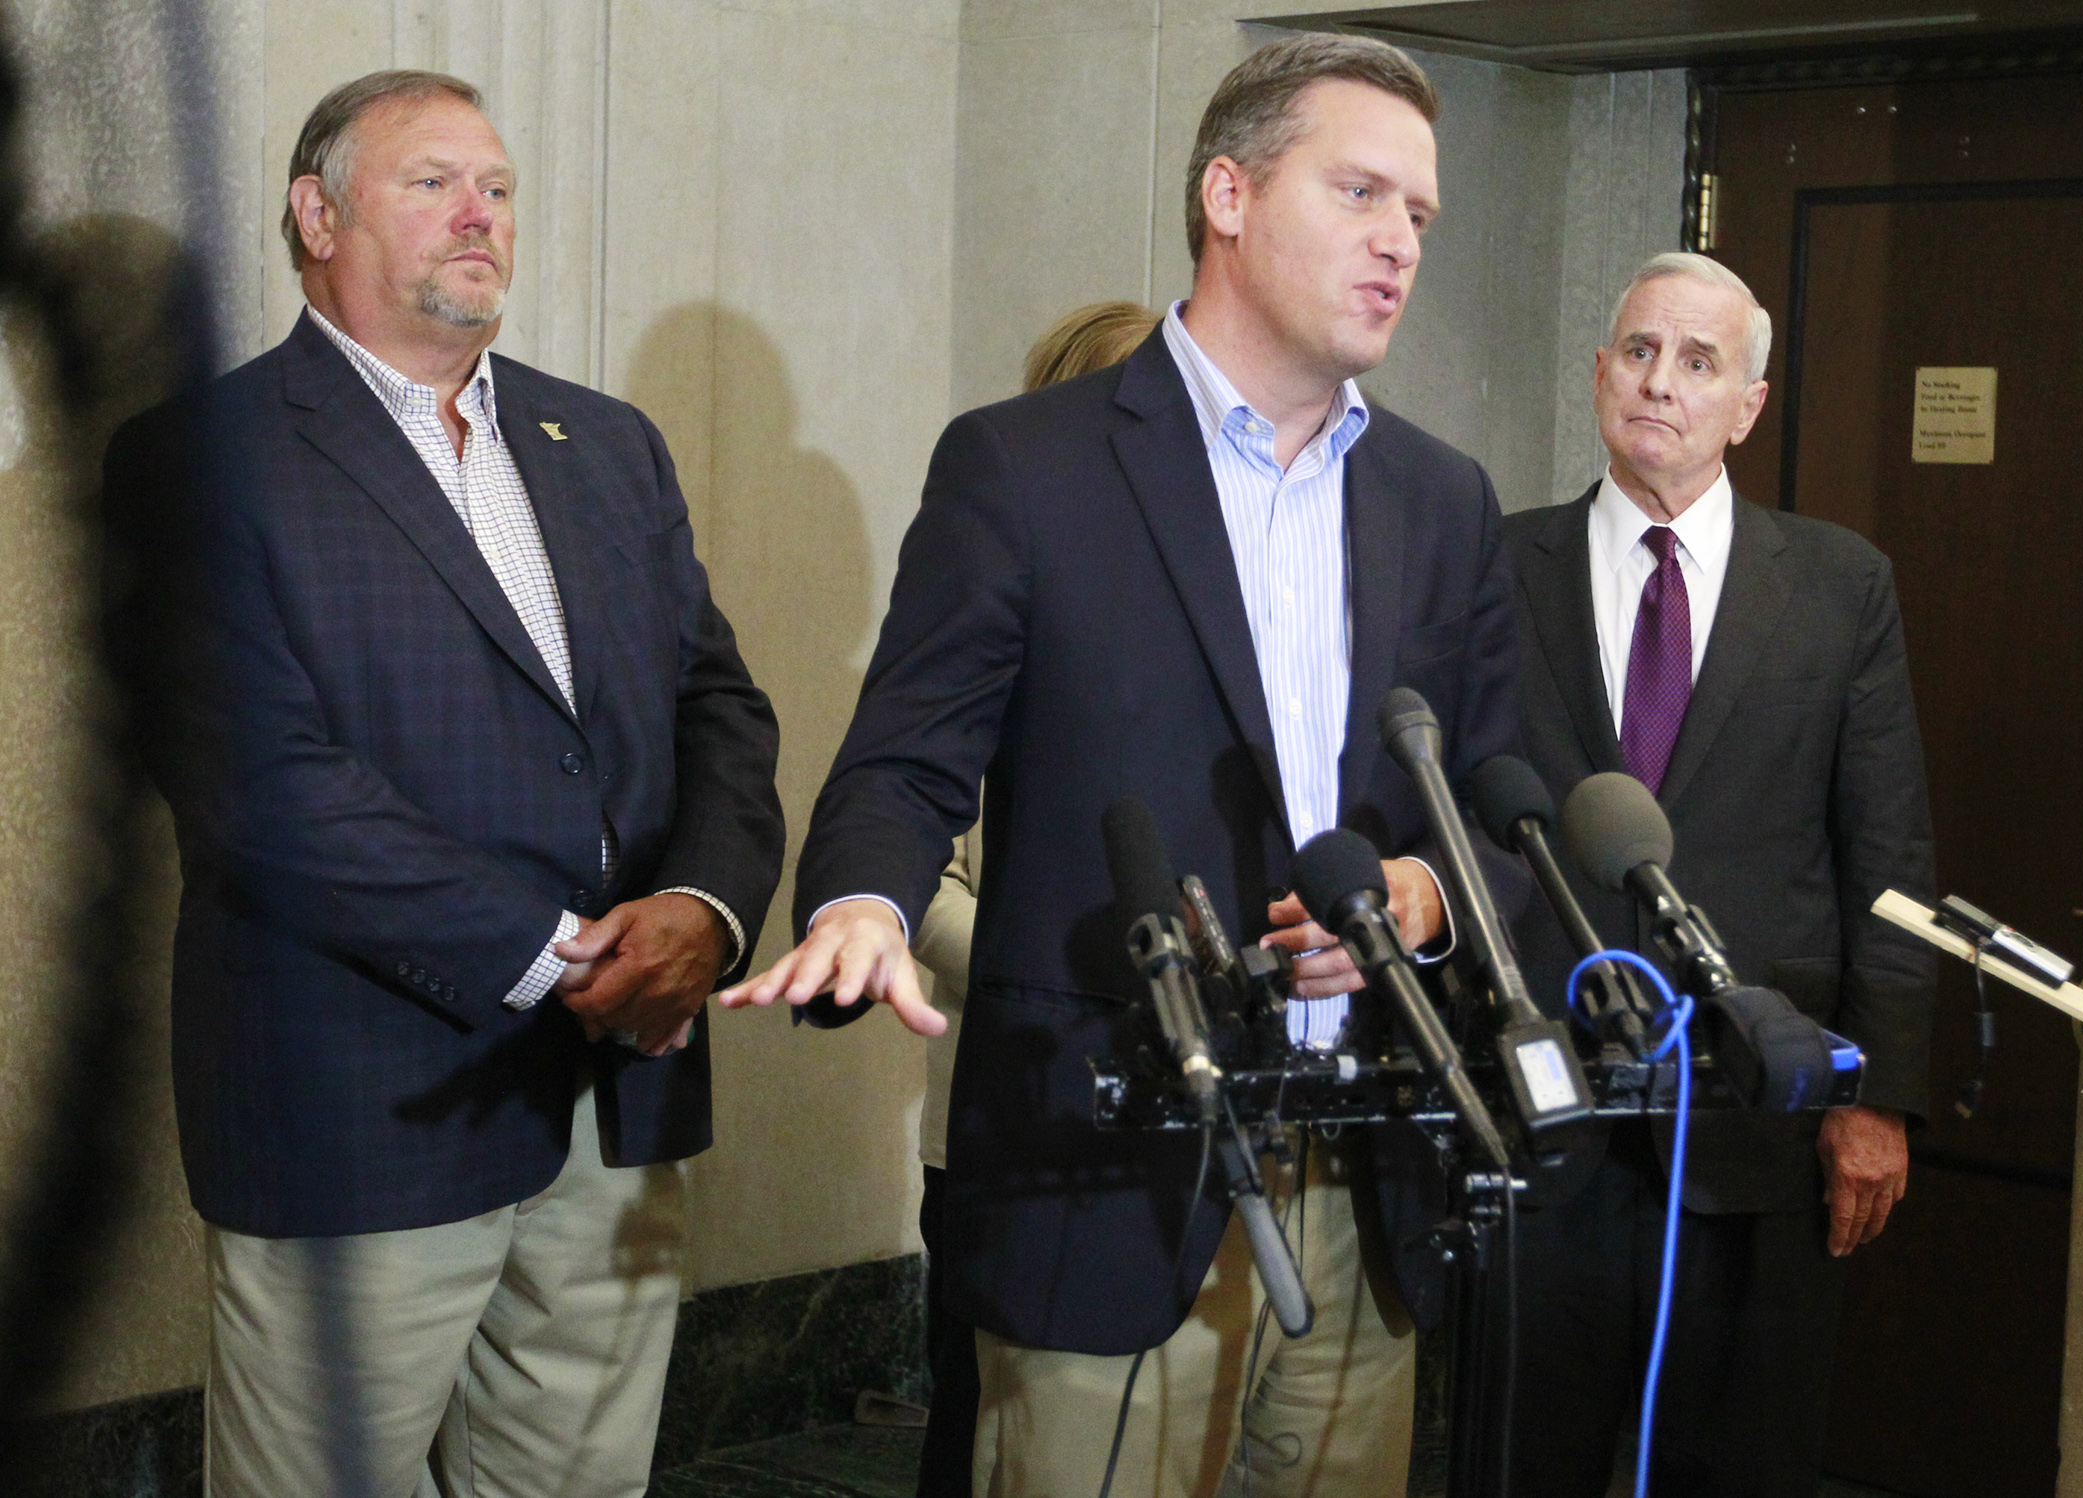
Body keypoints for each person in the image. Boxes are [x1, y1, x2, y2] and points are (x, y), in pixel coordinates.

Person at [724, 34, 1526, 1498]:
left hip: (1363, 1184)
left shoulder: (1441, 498)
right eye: (1361, 194)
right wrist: (864, 905)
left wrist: (1419, 898)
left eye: (1419, 214)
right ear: (1228, 192)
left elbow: (1496, 808)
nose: (1400, 244)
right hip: (1110, 1164)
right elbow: (903, 764)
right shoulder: (1025, 467)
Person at [105, 70, 785, 1497]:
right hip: (363, 1111)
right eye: (434, 183)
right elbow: (267, 789)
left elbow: (718, 705)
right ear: (317, 213)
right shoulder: (202, 461)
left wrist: (708, 910)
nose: (481, 214)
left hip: (622, 1097)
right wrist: (563, 957)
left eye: (500, 188)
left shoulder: (604, 443)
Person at [1501, 251, 1935, 1497]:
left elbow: (1889, 855)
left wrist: (1876, 1093)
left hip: (1758, 1122)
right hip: (1548, 1116)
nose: (1660, 384)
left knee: (1736, 1463)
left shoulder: (1841, 587)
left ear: (1747, 404)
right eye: (1638, 351)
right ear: (1598, 374)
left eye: (1699, 363)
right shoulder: (1494, 565)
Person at [911, 299, 1160, 1498]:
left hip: (1155, 1127)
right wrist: (1076, 974)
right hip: (998, 1109)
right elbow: (921, 893)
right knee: (978, 1431)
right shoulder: (992, 625)